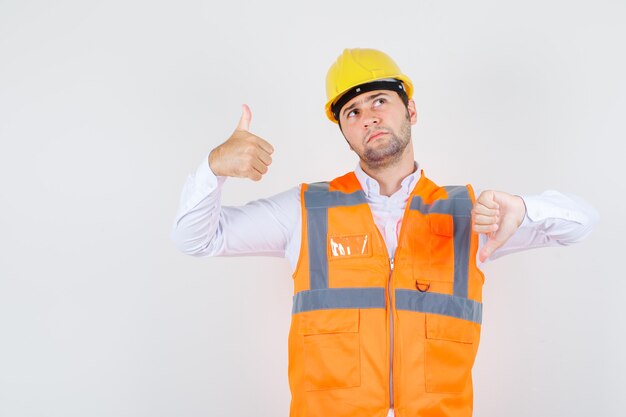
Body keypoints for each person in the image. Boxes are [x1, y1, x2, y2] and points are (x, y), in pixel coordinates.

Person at [171, 48, 598, 417]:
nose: (368, 118)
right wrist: (212, 170)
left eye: (379, 101)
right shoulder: (305, 210)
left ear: (410, 110)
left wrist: (524, 209)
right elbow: (197, 238)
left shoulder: (472, 214)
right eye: (351, 112)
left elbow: (582, 224)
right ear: (344, 131)